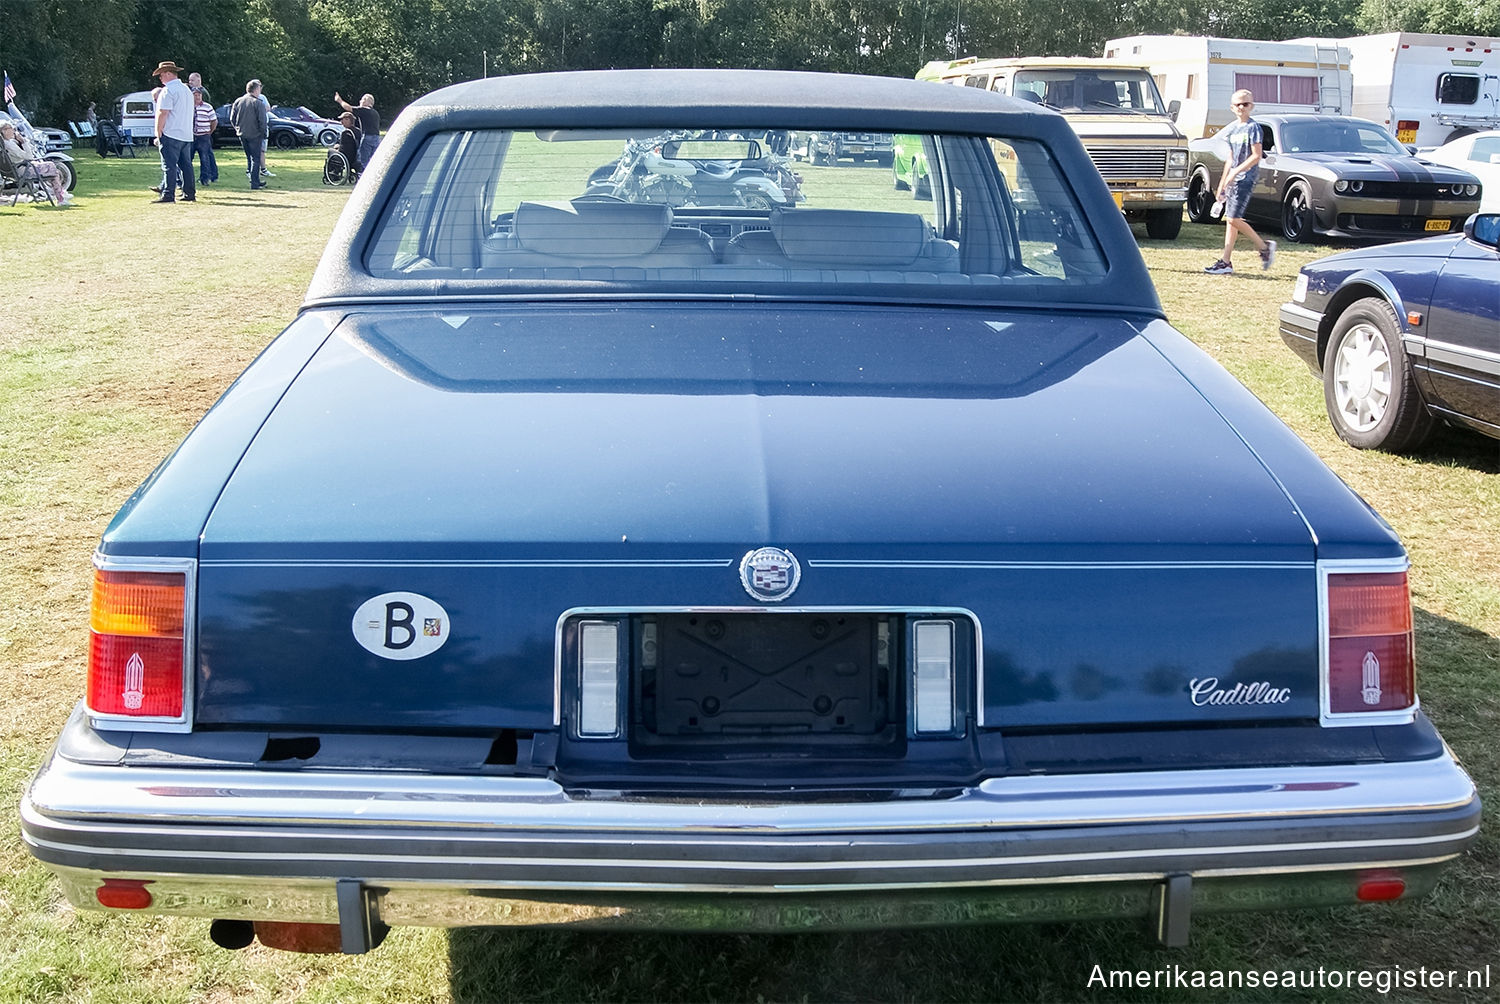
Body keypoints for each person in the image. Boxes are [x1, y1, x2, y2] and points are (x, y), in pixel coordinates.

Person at [1204, 89, 1275, 275]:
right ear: (1232, 107)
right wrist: (1222, 183)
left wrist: (1236, 171)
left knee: (1233, 218)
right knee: (1231, 222)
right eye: (1238, 104)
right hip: (1233, 179)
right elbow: (1231, 158)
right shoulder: (1234, 130)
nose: (1242, 107)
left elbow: (1256, 155)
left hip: (1246, 178)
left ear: (1252, 106)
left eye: (1246, 104)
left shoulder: (1253, 128)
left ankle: (1264, 247)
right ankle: (1226, 262)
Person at [150, 60, 196, 204]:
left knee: (169, 166)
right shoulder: (186, 90)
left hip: (171, 133)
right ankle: (189, 193)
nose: (160, 78)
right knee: (186, 166)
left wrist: (158, 133)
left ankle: (168, 194)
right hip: (186, 134)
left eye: (161, 75)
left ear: (168, 73)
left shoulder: (168, 90)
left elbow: (163, 113)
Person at [0, 120, 72, 204]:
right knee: (53, 168)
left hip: (14, 171)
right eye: (11, 128)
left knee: (51, 170)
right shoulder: (10, 145)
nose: (13, 130)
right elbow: (29, 156)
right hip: (22, 171)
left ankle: (61, 195)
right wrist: (23, 142)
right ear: (4, 131)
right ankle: (61, 197)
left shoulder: (4, 144)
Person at [229, 78, 268, 189]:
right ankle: (254, 183)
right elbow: (262, 121)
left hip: (242, 134)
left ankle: (254, 179)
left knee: (249, 158)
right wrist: (264, 133)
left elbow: (232, 118)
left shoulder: (238, 101)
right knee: (256, 159)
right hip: (255, 135)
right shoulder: (258, 103)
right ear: (256, 89)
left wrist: (237, 128)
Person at [334, 90, 380, 168]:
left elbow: (348, 108)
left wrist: (340, 100)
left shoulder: (364, 110)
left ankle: (362, 176)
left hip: (367, 137)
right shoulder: (375, 113)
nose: (360, 101)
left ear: (366, 101)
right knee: (373, 160)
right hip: (376, 138)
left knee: (363, 161)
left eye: (362, 99)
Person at [191, 87, 218, 185]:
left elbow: (214, 121)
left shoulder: (207, 107)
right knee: (188, 158)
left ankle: (205, 179)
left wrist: (209, 132)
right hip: (192, 136)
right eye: (195, 95)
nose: (197, 97)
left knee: (205, 158)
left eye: (199, 95)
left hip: (204, 136)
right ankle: (188, 179)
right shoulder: (188, 106)